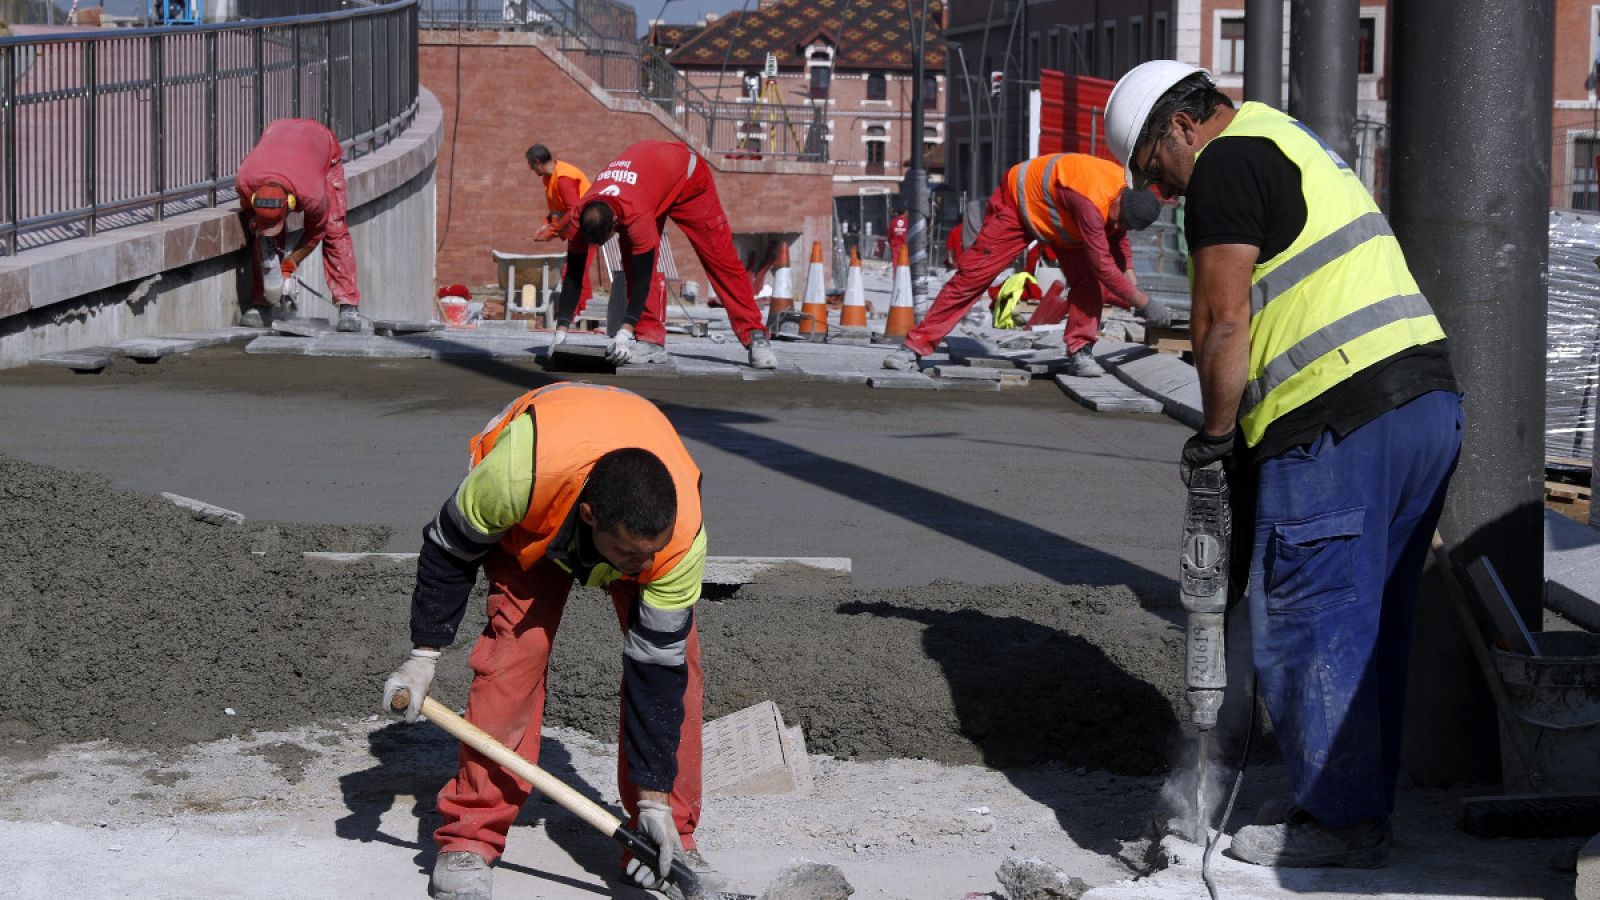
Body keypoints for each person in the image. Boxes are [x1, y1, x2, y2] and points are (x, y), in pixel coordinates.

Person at [1105, 60, 1462, 868]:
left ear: (1182, 125)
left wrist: (1217, 441)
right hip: (1425, 405)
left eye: (1155, 167)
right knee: (1369, 622)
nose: (1159, 191)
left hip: (1338, 415)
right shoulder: (1288, 137)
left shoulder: (1224, 166)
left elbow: (1222, 322)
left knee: (1310, 614)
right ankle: (1347, 800)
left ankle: (1338, 822)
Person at [383, 382, 712, 899]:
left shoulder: (678, 541)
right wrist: (423, 657)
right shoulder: (517, 477)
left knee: (682, 672)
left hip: (610, 487)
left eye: (652, 554)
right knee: (513, 658)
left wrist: (653, 800)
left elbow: (658, 677)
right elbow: (448, 552)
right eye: (629, 555)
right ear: (590, 519)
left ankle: (670, 839)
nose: (642, 569)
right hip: (539, 511)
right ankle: (470, 836)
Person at [882, 153, 1169, 377]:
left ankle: (1081, 350)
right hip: (1020, 203)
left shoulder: (1126, 199)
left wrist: (1130, 275)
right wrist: (1144, 302)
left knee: (1087, 284)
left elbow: (1118, 240)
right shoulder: (1090, 202)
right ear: (1119, 200)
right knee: (972, 277)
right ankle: (913, 347)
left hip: (1061, 220)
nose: (1117, 226)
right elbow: (1103, 265)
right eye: (1118, 220)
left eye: (1124, 226)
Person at [546, 140, 778, 369]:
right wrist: (561, 330)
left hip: (687, 178)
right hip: (650, 183)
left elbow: (642, 278)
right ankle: (650, 341)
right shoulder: (579, 215)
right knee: (631, 257)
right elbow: (574, 275)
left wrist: (625, 331)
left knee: (719, 256)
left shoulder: (635, 216)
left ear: (615, 222)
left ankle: (755, 335)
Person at [235, 118, 362, 332]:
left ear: (292, 203)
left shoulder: (311, 194)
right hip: (280, 135)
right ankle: (262, 302)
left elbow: (317, 231)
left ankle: (348, 306)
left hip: (320, 144)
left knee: (334, 229)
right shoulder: (245, 182)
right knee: (264, 237)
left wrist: (291, 262)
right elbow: (255, 225)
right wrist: (271, 268)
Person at [527, 144, 596, 318]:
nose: (530, 169)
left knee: (573, 272)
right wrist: (547, 223)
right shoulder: (550, 178)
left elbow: (574, 209)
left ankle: (572, 314)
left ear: (538, 162)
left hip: (589, 226)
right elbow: (559, 210)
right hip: (579, 227)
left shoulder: (564, 177)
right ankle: (580, 313)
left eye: (531, 164)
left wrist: (553, 230)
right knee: (578, 271)